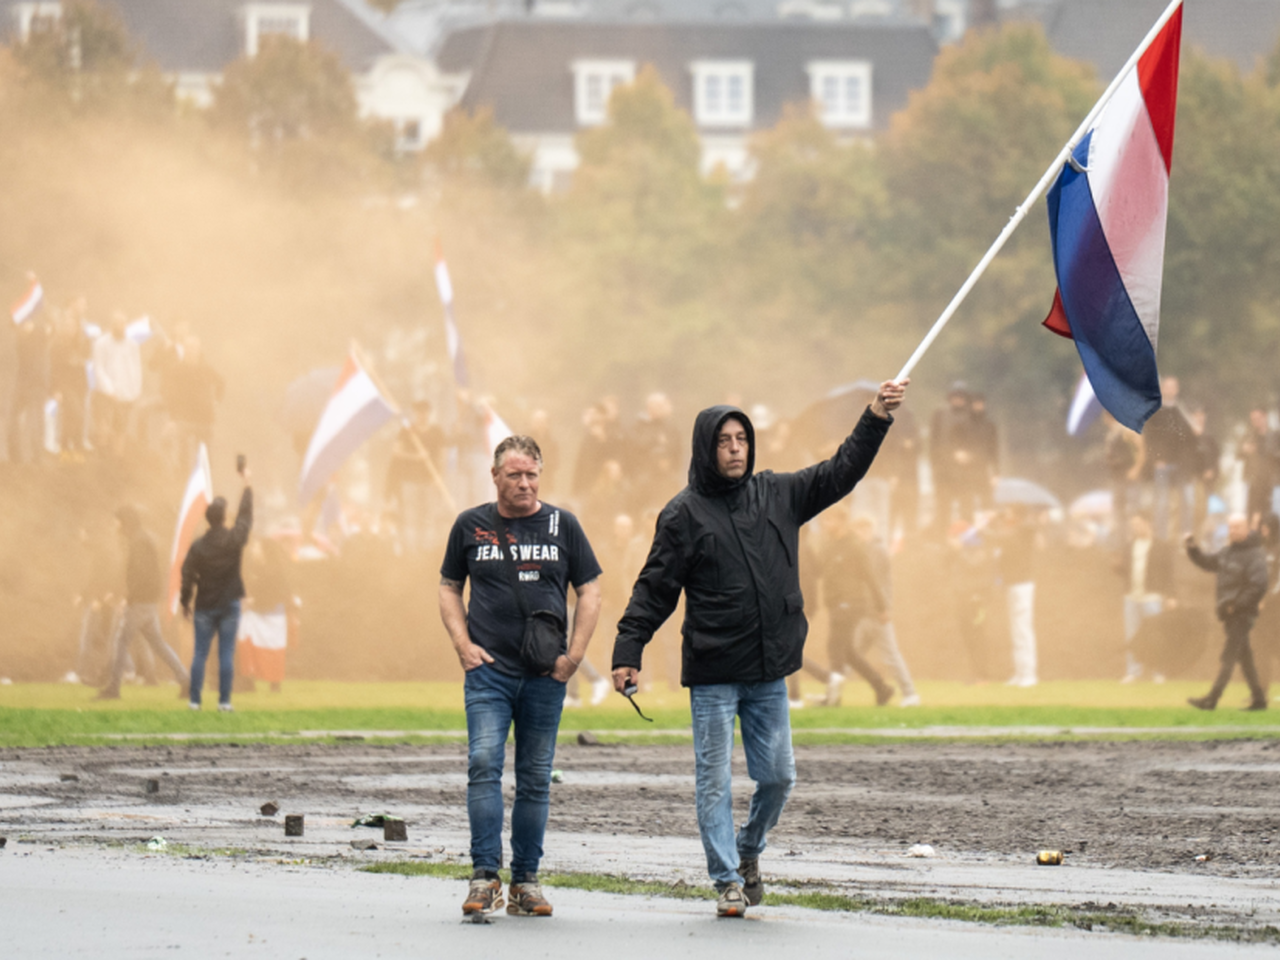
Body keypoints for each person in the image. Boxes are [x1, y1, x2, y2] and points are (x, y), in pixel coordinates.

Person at [611, 379, 908, 917]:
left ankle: (748, 849)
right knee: (714, 782)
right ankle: (727, 880)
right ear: (706, 448)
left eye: (742, 439)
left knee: (778, 778)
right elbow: (655, 588)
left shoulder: (779, 493)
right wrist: (628, 649)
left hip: (770, 670)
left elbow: (842, 471)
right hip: (714, 671)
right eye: (724, 441)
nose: (735, 449)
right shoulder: (682, 514)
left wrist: (875, 417)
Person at [439, 435, 602, 919]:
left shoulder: (563, 524)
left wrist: (573, 658)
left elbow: (590, 591)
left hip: (544, 674)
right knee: (483, 763)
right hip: (488, 673)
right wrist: (463, 645)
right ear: (495, 476)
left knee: (534, 777)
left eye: (532, 475)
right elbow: (449, 587)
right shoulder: (469, 525)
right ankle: (484, 875)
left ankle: (526, 882)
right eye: (514, 475)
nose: (525, 483)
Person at [96, 506, 191, 700]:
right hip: (147, 602)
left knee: (121, 642)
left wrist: (128, 598)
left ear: (125, 522)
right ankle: (186, 681)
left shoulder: (138, 542)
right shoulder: (141, 539)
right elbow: (141, 574)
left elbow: (140, 574)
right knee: (158, 644)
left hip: (139, 603)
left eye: (117, 521)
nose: (115, 525)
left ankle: (113, 689)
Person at [180, 469, 253, 711]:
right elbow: (245, 519)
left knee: (200, 653)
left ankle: (194, 701)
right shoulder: (233, 540)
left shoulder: (198, 546)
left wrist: (185, 602)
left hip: (204, 605)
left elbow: (187, 575)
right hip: (229, 604)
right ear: (224, 518)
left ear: (207, 520)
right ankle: (224, 702)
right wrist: (247, 486)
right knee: (226, 654)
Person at [1186, 514, 1269, 711]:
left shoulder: (1255, 554)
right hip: (1229, 614)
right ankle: (1259, 699)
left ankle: (1212, 699)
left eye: (1237, 527)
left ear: (1247, 528)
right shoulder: (1227, 552)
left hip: (1242, 614)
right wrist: (1192, 549)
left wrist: (1236, 605)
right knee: (1244, 657)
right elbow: (1207, 563)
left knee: (1229, 656)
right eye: (1231, 527)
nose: (1233, 531)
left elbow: (1258, 585)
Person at [817, 508, 894, 707]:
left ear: (841, 521)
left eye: (829, 520)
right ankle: (882, 688)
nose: (825, 524)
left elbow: (870, 577)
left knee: (835, 647)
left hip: (850, 603)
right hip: (835, 604)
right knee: (848, 652)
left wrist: (881, 607)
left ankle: (833, 697)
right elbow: (819, 571)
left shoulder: (854, 546)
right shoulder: (829, 545)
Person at [850, 514, 920, 706]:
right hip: (862, 614)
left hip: (876, 614)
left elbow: (876, 583)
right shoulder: (862, 550)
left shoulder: (876, 551)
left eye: (864, 529)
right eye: (858, 529)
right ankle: (833, 693)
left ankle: (910, 694)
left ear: (870, 530)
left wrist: (883, 608)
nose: (860, 533)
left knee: (891, 657)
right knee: (850, 654)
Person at [1117, 514, 1176, 683]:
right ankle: (1133, 672)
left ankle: (1158, 672)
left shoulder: (1161, 546)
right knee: (1132, 635)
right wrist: (1117, 567)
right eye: (1133, 525)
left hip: (1151, 597)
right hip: (1131, 597)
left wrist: (1171, 596)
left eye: (1138, 524)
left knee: (1155, 634)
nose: (1135, 528)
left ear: (1148, 523)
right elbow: (1125, 571)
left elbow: (1169, 572)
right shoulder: (1129, 546)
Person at [996, 505, 1040, 687]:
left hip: (1022, 585)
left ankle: (1029, 674)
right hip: (1011, 583)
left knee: (1023, 629)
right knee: (1015, 630)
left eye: (1009, 512)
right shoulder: (1013, 531)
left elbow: (1009, 535)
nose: (1006, 515)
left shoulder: (1023, 530)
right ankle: (1020, 672)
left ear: (1017, 515)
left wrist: (998, 521)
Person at [91, 312, 142, 456]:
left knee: (120, 428)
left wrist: (136, 390)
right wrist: (109, 390)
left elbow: (136, 368)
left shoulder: (132, 345)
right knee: (103, 426)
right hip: (104, 393)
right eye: (117, 323)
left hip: (125, 395)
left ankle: (117, 459)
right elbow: (99, 368)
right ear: (111, 325)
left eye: (123, 323)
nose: (121, 326)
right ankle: (101, 454)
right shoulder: (101, 343)